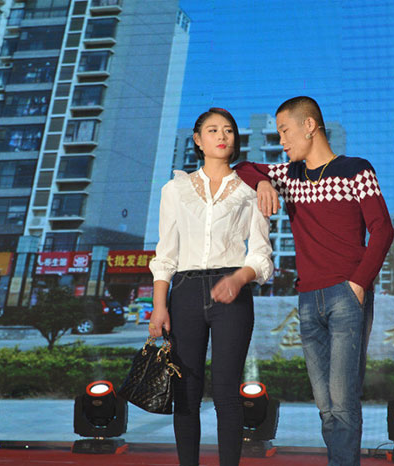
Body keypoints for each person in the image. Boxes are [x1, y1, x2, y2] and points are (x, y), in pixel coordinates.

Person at [234, 96, 394, 466]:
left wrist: (358, 284)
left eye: (285, 131)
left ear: (309, 126)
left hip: (346, 294)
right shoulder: (289, 175)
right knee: (325, 405)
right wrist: (264, 184)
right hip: (307, 299)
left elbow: (383, 229)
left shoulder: (356, 169)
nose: (281, 142)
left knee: (342, 399)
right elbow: (243, 167)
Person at [148, 107, 274, 466]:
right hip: (185, 293)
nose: (222, 136)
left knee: (226, 393)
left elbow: (262, 255)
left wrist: (238, 278)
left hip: (232, 294)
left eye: (229, 130)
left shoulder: (251, 190)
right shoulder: (175, 189)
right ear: (198, 140)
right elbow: (165, 254)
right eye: (213, 130)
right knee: (186, 393)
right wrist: (159, 305)